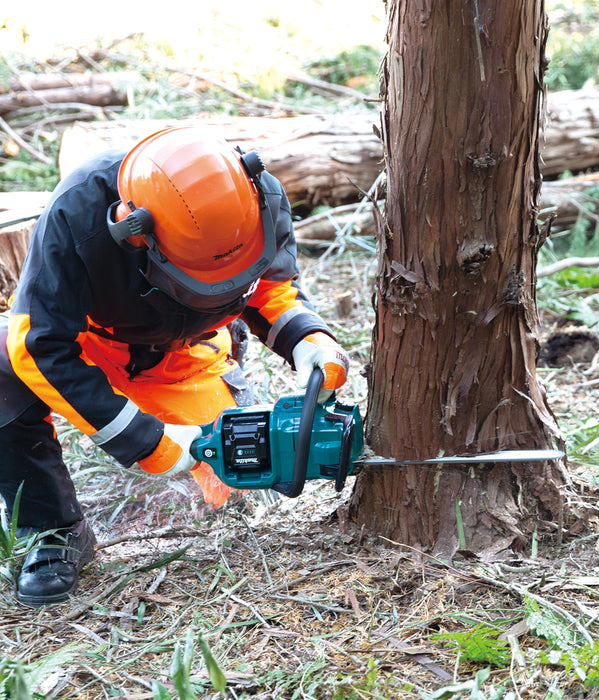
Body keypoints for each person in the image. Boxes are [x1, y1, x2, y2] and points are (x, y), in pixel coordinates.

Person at [0, 125, 350, 607]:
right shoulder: (78, 216)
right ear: (134, 232)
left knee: (231, 477)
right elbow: (38, 344)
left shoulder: (256, 198)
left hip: (186, 350)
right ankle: (56, 531)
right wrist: (146, 440)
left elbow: (270, 289)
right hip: (92, 343)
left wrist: (307, 339)